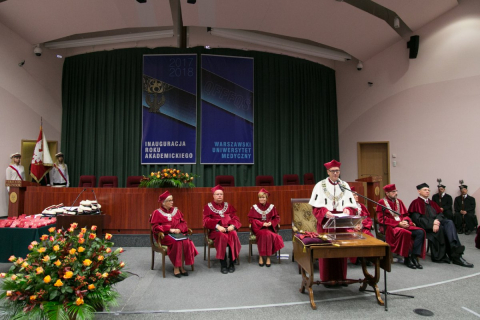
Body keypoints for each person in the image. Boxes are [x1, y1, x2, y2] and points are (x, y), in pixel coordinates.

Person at [309, 159, 356, 283]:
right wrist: (324, 211)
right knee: (327, 250)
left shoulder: (345, 185)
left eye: (337, 171)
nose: (335, 173)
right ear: (328, 172)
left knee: (341, 250)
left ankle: (341, 278)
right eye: (333, 171)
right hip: (326, 223)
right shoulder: (320, 185)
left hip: (341, 223)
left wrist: (346, 209)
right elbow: (315, 208)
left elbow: (351, 206)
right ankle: (326, 279)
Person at [408, 183, 473, 268]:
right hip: (426, 227)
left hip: (436, 224)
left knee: (449, 222)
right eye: (425, 190)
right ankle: (453, 255)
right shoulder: (415, 203)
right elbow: (417, 219)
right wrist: (432, 224)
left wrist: (436, 222)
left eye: (428, 190)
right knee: (442, 229)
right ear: (419, 191)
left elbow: (440, 214)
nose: (427, 191)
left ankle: (455, 248)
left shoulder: (432, 203)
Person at [149, 191, 198, 277]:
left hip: (177, 234)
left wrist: (179, 228)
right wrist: (169, 229)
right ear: (164, 203)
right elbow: (155, 228)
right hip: (165, 236)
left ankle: (182, 266)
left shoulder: (176, 211)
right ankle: (176, 267)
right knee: (177, 242)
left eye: (172, 200)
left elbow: (183, 223)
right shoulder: (157, 212)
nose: (172, 202)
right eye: (169, 200)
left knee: (186, 241)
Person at [376, 184, 425, 269]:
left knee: (420, 232)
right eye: (393, 192)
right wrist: (398, 224)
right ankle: (407, 258)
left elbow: (406, 215)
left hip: (403, 224)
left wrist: (406, 221)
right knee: (406, 233)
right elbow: (381, 219)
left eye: (396, 191)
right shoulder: (381, 202)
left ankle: (414, 256)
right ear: (387, 193)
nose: (396, 193)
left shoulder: (399, 201)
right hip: (390, 227)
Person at [203, 185, 242, 274]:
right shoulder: (208, 207)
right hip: (216, 231)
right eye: (217, 194)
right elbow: (206, 221)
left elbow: (235, 218)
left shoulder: (228, 206)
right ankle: (223, 264)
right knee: (222, 236)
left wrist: (232, 226)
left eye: (221, 194)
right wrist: (217, 226)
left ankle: (232, 263)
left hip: (229, 229)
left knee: (234, 234)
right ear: (213, 196)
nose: (219, 196)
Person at [247, 188, 284, 267]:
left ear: (266, 198)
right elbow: (251, 219)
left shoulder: (272, 207)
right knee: (265, 234)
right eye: (260, 197)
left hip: (269, 228)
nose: (261, 199)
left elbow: (277, 218)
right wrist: (262, 224)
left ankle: (267, 256)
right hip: (259, 228)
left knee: (268, 234)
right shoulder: (254, 207)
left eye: (263, 197)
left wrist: (271, 223)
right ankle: (262, 256)